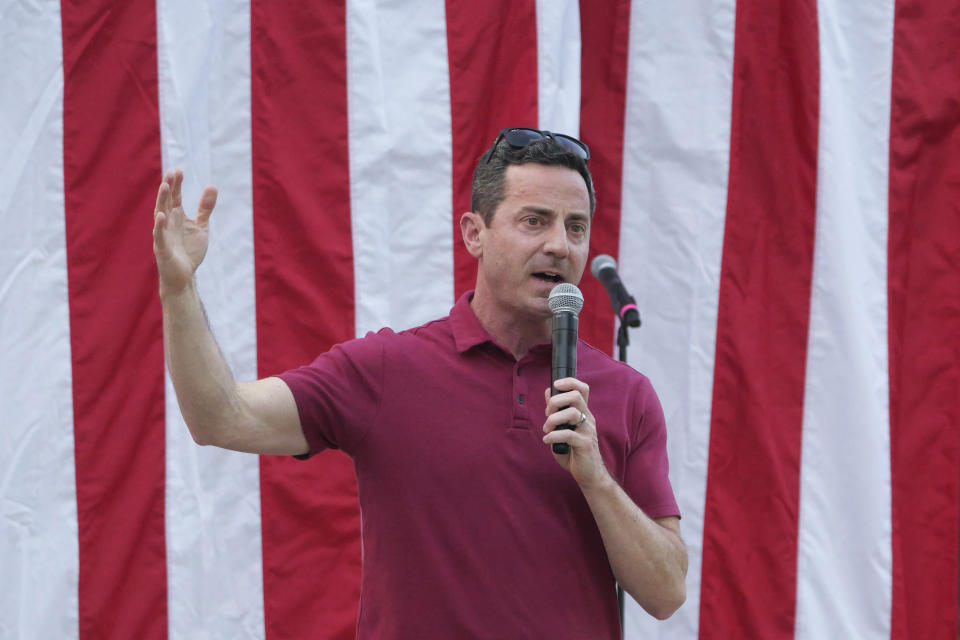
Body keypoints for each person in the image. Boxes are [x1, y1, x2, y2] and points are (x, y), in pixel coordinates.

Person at [152, 127, 687, 638]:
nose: (559, 245)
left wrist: (595, 478)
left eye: (575, 227)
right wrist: (179, 290)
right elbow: (221, 418)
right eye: (534, 221)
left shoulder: (625, 394)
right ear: (474, 233)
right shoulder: (388, 368)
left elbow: (666, 593)